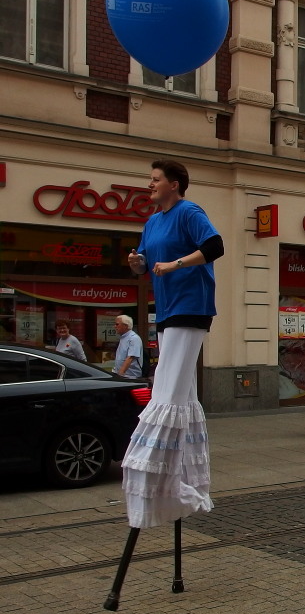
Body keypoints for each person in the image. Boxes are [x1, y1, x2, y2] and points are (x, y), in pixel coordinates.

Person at [123, 158, 223, 528]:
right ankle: (186, 478)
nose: (149, 184)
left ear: (174, 184)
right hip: (166, 309)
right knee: (179, 391)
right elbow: (145, 264)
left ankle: (156, 472)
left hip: (191, 306)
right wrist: (137, 262)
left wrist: (175, 264)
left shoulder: (189, 212)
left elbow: (215, 246)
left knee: (168, 388)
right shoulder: (153, 222)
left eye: (155, 179)